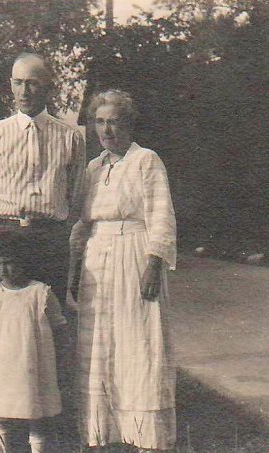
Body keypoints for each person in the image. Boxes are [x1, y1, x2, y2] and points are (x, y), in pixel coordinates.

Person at [69, 89, 178, 452]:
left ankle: (143, 433)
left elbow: (161, 216)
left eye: (113, 121)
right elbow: (83, 223)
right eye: (99, 122)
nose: (106, 130)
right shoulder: (94, 168)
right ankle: (104, 431)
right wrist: (73, 271)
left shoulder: (146, 161)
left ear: (128, 123)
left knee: (138, 341)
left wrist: (153, 264)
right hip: (97, 260)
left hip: (134, 255)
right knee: (101, 340)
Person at [0, 52, 86, 308]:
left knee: (50, 316)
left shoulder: (70, 137)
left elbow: (77, 193)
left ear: (48, 86)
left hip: (49, 239)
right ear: (11, 84)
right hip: (4, 235)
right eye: (18, 82)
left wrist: (59, 234)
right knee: (2, 318)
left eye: (32, 83)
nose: (24, 91)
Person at [0, 230, 69, 453]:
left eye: (9, 263)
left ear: (25, 261)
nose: (3, 270)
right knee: (1, 414)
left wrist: (62, 358)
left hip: (30, 364)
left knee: (34, 413)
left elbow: (60, 326)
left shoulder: (40, 293)